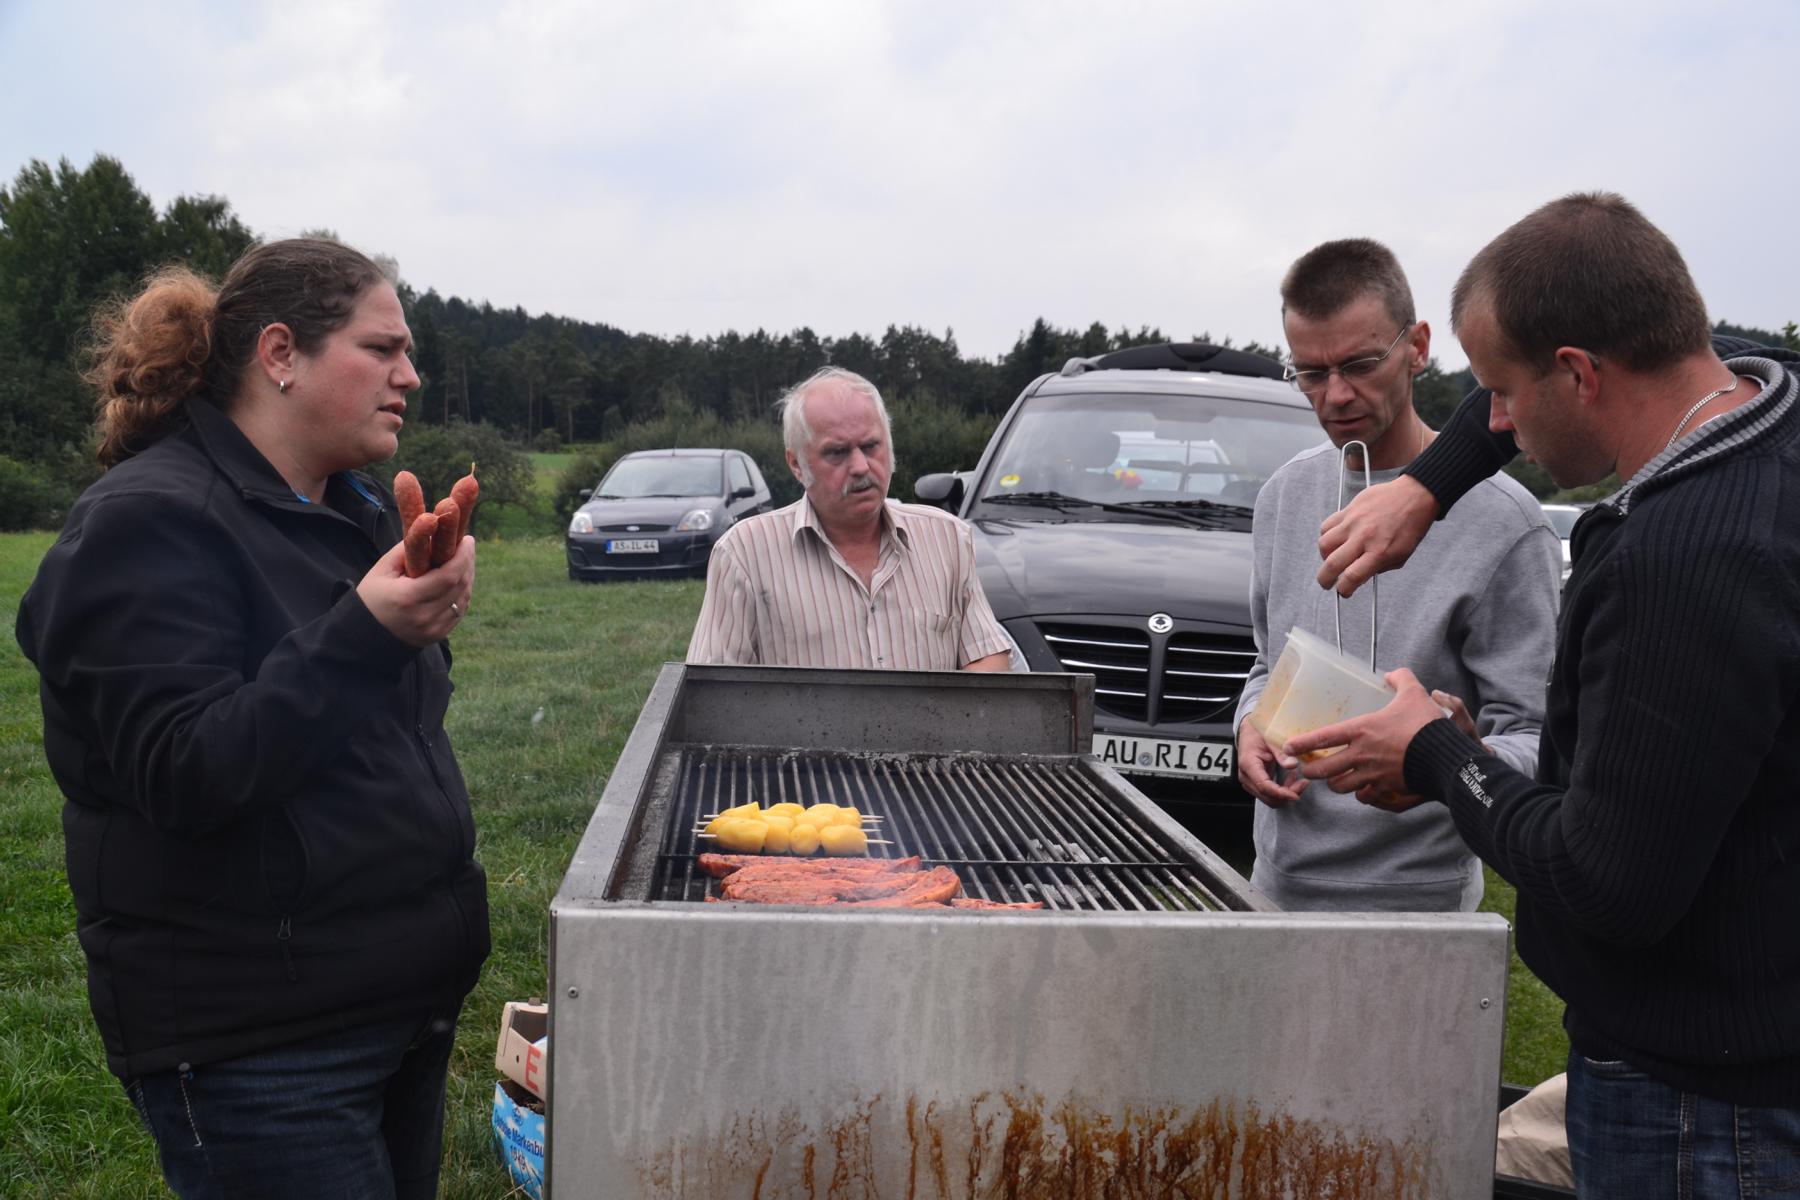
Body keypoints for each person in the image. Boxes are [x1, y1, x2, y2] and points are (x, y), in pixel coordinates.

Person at [1282, 193, 1800, 1195]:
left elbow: (1607, 886)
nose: (1497, 423)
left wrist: (1438, 754)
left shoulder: (1682, 565)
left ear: (1580, 374)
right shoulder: (1761, 403)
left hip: (1704, 1107)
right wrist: (1429, 485)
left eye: (1502, 392)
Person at [15, 239, 491, 1199]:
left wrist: (411, 625)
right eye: (382, 348)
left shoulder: (350, 513)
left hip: (395, 1006)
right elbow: (186, 769)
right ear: (280, 354)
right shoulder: (146, 521)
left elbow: (373, 739)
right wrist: (367, 634)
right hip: (264, 1046)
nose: (410, 375)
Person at [1234, 239, 1559, 911]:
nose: (1336, 395)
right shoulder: (1283, 496)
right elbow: (1267, 665)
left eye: (1359, 364)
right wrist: (1248, 728)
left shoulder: (1506, 520)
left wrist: (1452, 754)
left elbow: (1538, 739)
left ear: (1418, 347)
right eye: (1310, 372)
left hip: (1423, 905)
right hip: (1276, 888)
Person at [687, 366, 1012, 671]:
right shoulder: (744, 553)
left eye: (871, 446)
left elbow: (986, 655)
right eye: (837, 452)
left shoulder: (948, 538)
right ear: (796, 464)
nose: (860, 466)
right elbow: (712, 689)